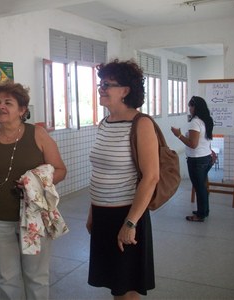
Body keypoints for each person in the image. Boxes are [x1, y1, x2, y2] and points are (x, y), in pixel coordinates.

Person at [0, 80, 67, 300]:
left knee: (36, 277)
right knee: (8, 278)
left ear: (22, 110)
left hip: (34, 219)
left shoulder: (38, 135)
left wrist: (36, 181)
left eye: (8, 103)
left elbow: (60, 170)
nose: (1, 106)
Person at [86, 59, 158, 299]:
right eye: (100, 83)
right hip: (102, 213)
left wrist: (131, 223)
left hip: (127, 214)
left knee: (127, 287)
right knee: (114, 283)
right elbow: (100, 173)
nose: (101, 88)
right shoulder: (104, 123)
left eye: (107, 84)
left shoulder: (142, 124)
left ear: (125, 90)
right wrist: (92, 212)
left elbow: (151, 177)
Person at [171, 96, 214, 222]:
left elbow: (193, 144)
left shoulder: (195, 122)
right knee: (202, 187)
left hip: (197, 160)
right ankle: (204, 211)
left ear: (196, 107)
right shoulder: (206, 120)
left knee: (199, 187)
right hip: (206, 158)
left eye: (191, 106)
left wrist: (178, 134)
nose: (189, 108)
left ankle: (200, 215)